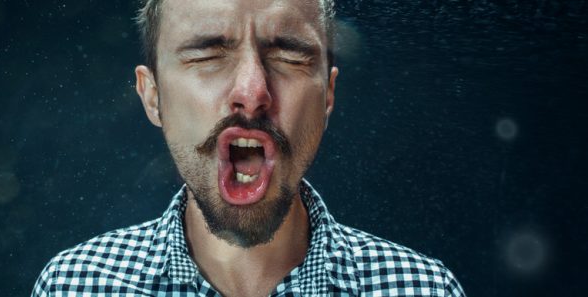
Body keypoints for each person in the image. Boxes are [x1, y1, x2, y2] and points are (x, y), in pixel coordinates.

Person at [32, 0, 465, 296]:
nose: (252, 92)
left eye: (290, 56)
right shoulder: (75, 285)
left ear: (328, 96)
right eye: (206, 55)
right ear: (151, 95)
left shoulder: (425, 288)